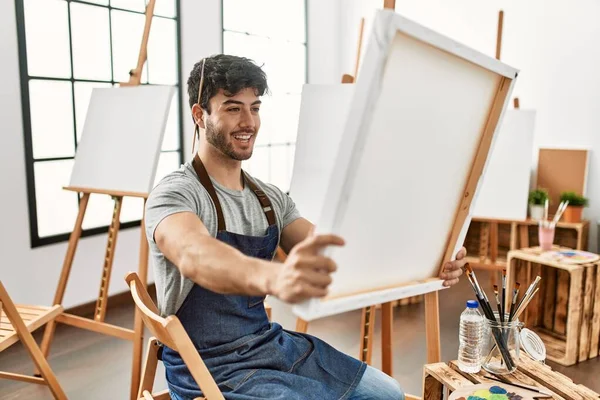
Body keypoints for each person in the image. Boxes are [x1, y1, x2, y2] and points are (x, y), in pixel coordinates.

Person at [145, 54, 466, 400]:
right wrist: (275, 278)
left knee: (388, 392)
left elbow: (332, 249)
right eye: (233, 108)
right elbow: (195, 254)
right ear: (199, 115)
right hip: (208, 368)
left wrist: (429, 260)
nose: (248, 122)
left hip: (268, 345)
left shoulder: (270, 200)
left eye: (255, 108)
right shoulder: (175, 192)